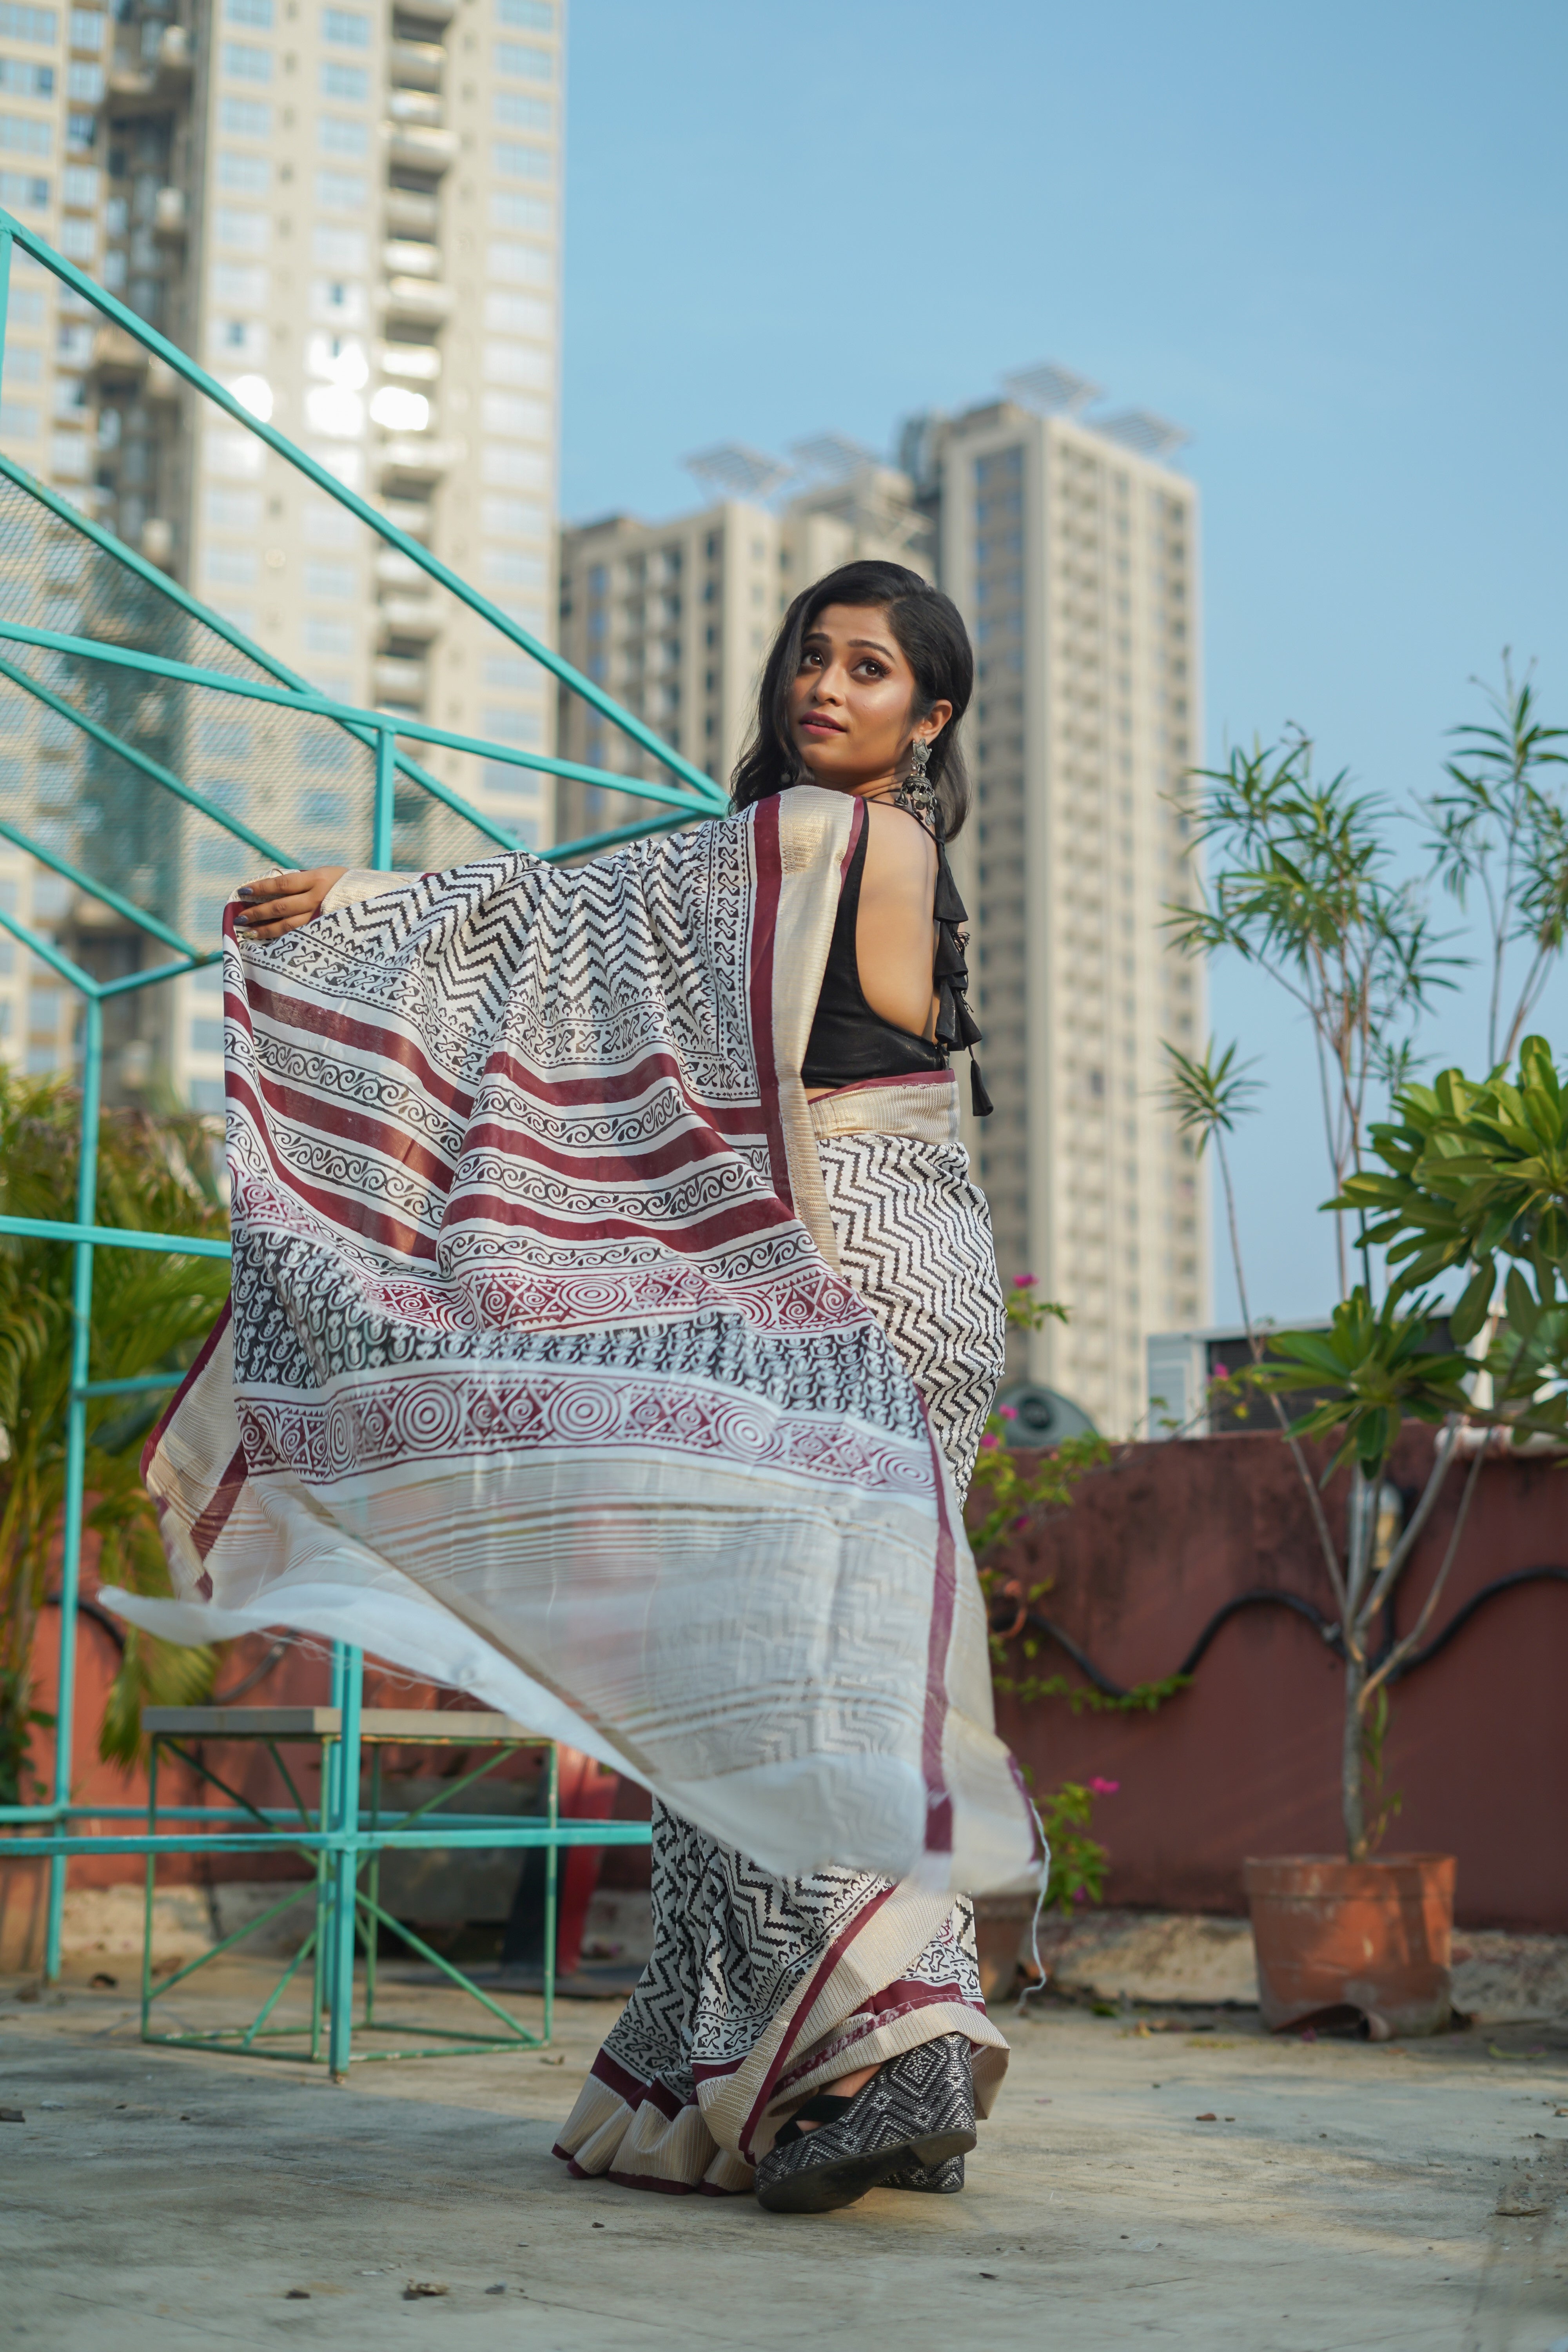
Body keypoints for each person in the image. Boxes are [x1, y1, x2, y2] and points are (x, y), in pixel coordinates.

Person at [131, 561, 1028, 2214]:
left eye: (872, 671)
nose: (825, 688)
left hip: (853, 1268)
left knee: (785, 1661)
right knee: (730, 1661)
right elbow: (551, 917)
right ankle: (760, 2069)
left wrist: (385, 915)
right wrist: (370, 902)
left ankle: (900, 2039)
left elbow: (589, 937)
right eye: (810, 659)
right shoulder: (731, 867)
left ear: (930, 717)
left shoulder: (867, 844)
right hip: (798, 1271)